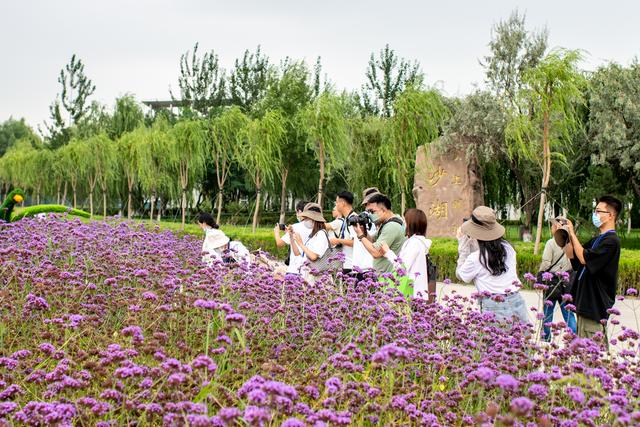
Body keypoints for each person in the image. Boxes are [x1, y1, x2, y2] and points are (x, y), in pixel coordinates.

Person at [455, 206, 529, 325]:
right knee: (522, 342)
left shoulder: (475, 258)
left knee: (495, 342)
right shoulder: (509, 248)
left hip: (493, 305)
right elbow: (488, 253)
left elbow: (461, 275)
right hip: (516, 301)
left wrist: (463, 245)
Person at [564, 195, 622, 345]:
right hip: (584, 305)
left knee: (593, 356)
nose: (594, 215)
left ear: (610, 216)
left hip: (595, 307)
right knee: (583, 355)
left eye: (598, 211)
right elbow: (573, 256)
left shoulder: (611, 241)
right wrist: (563, 234)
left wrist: (572, 232)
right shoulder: (598, 240)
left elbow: (584, 258)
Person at [380, 208, 432, 299]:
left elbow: (402, 267)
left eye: (405, 221)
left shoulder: (414, 243)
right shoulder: (418, 242)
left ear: (412, 224)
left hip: (410, 291)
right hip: (416, 292)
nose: (403, 224)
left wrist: (388, 252)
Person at [539, 216, 576, 341]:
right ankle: (573, 337)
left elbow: (546, 262)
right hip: (567, 281)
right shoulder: (572, 242)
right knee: (568, 312)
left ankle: (546, 337)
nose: (551, 227)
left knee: (548, 312)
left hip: (552, 281)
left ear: (557, 227)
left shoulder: (551, 242)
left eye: (553, 225)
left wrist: (541, 273)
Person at [353, 193, 406, 274]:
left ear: (384, 210)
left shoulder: (392, 226)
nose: (370, 215)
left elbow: (376, 252)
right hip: (384, 276)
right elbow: (373, 241)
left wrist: (360, 236)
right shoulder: (386, 224)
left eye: (372, 211)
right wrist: (364, 232)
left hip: (388, 278)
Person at [290, 203, 330, 280]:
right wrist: (292, 237)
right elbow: (298, 253)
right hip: (306, 275)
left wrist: (300, 243)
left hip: (315, 278)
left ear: (314, 219)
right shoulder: (313, 235)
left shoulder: (321, 234)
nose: (304, 221)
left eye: (306, 218)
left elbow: (313, 256)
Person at [274, 201, 310, 279]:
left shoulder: (296, 227)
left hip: (295, 269)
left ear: (300, 212)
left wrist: (276, 232)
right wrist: (288, 234)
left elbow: (279, 244)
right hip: (310, 270)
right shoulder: (316, 227)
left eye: (296, 212)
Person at [328, 191, 357, 275]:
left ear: (343, 203)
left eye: (337, 202)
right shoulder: (347, 219)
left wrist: (338, 240)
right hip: (346, 263)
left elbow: (356, 242)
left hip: (352, 265)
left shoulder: (353, 219)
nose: (336, 205)